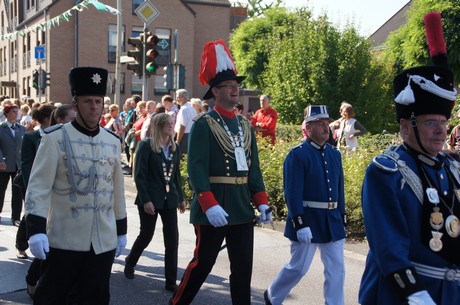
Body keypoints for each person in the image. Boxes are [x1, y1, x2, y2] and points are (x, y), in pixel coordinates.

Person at [359, 12, 460, 305]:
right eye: (430, 122)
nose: (441, 130)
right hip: (403, 293)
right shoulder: (386, 172)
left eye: (443, 122)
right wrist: (413, 292)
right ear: (405, 127)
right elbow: (388, 245)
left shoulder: (452, 168)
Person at [170, 39, 271, 305]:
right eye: (229, 86)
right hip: (213, 206)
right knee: (202, 265)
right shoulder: (204, 124)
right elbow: (196, 167)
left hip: (240, 207)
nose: (235, 89)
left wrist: (261, 201)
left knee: (242, 271)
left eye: (236, 85)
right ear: (215, 91)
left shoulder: (245, 126)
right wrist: (208, 202)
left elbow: (253, 168)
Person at [24, 66, 127, 305]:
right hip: (64, 239)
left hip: (102, 241)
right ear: (75, 104)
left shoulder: (111, 141)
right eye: (87, 101)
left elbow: (117, 191)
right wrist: (36, 230)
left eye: (98, 101)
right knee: (53, 298)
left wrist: (121, 229)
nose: (94, 106)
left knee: (96, 298)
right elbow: (38, 187)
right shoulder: (55, 138)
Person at [264, 105, 347, 305]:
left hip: (332, 219)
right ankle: (273, 296)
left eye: (326, 123)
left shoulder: (334, 154)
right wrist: (299, 222)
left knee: (337, 269)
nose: (325, 128)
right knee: (298, 268)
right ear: (308, 129)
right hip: (308, 219)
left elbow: (339, 188)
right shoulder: (297, 154)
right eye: (320, 124)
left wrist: (342, 215)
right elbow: (292, 192)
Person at [124, 113, 186, 291]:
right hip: (150, 198)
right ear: (158, 125)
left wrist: (181, 197)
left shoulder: (174, 147)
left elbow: (176, 176)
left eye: (172, 123)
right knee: (147, 234)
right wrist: (146, 200)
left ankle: (170, 281)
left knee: (172, 239)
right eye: (167, 123)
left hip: (169, 199)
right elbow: (140, 176)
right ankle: (131, 261)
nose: (171, 126)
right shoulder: (146, 146)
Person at [14, 104, 55, 297]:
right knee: (31, 215)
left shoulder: (58, 135)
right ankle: (22, 244)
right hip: (34, 184)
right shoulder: (32, 137)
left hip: (55, 188)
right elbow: (28, 163)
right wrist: (36, 187)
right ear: (47, 119)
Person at [0, 103, 26, 226]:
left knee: (17, 191)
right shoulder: (1, 127)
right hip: (4, 164)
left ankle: (16, 217)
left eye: (17, 111)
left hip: (18, 164)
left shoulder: (22, 128)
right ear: (6, 113)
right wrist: (0, 160)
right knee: (1, 190)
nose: (16, 114)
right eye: (13, 112)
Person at [174, 89, 196, 155]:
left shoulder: (184, 109)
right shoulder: (190, 107)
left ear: (183, 97)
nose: (176, 99)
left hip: (183, 137)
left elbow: (182, 126)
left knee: (181, 157)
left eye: (178, 97)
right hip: (189, 135)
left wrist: (177, 141)